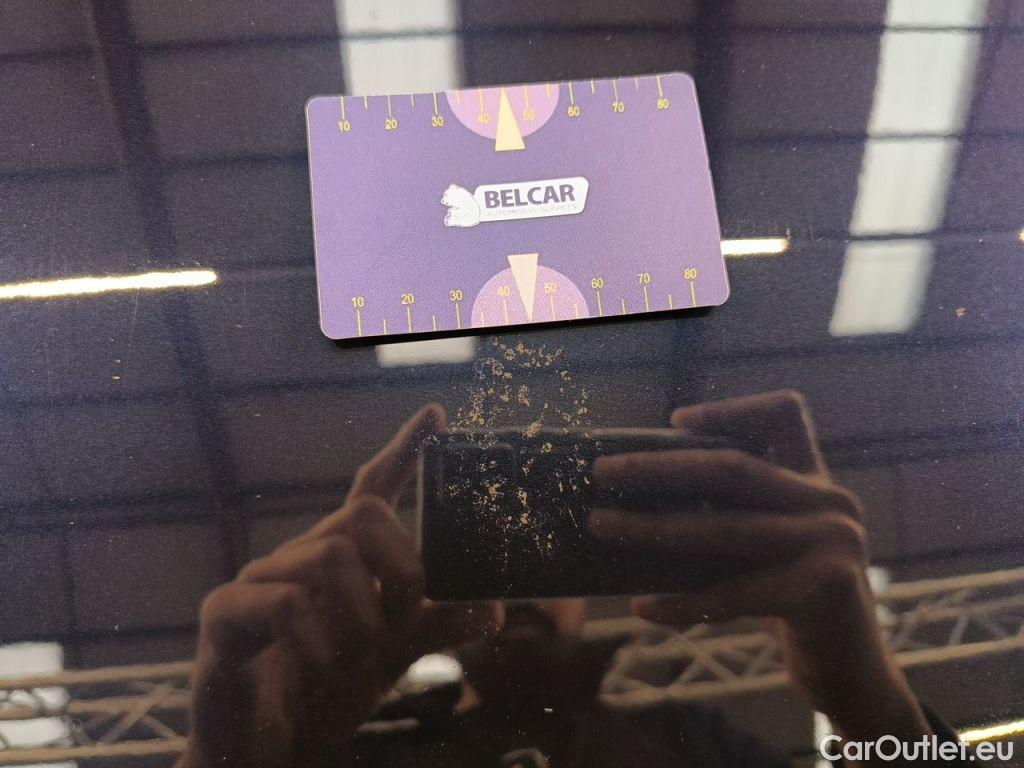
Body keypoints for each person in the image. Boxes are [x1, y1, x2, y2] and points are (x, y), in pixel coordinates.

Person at [177, 391, 955, 768]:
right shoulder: (354, 755)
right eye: (505, 551)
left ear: (591, 582)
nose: (522, 592)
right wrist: (233, 762)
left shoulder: (694, 745)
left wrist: (871, 703)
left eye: (551, 553)